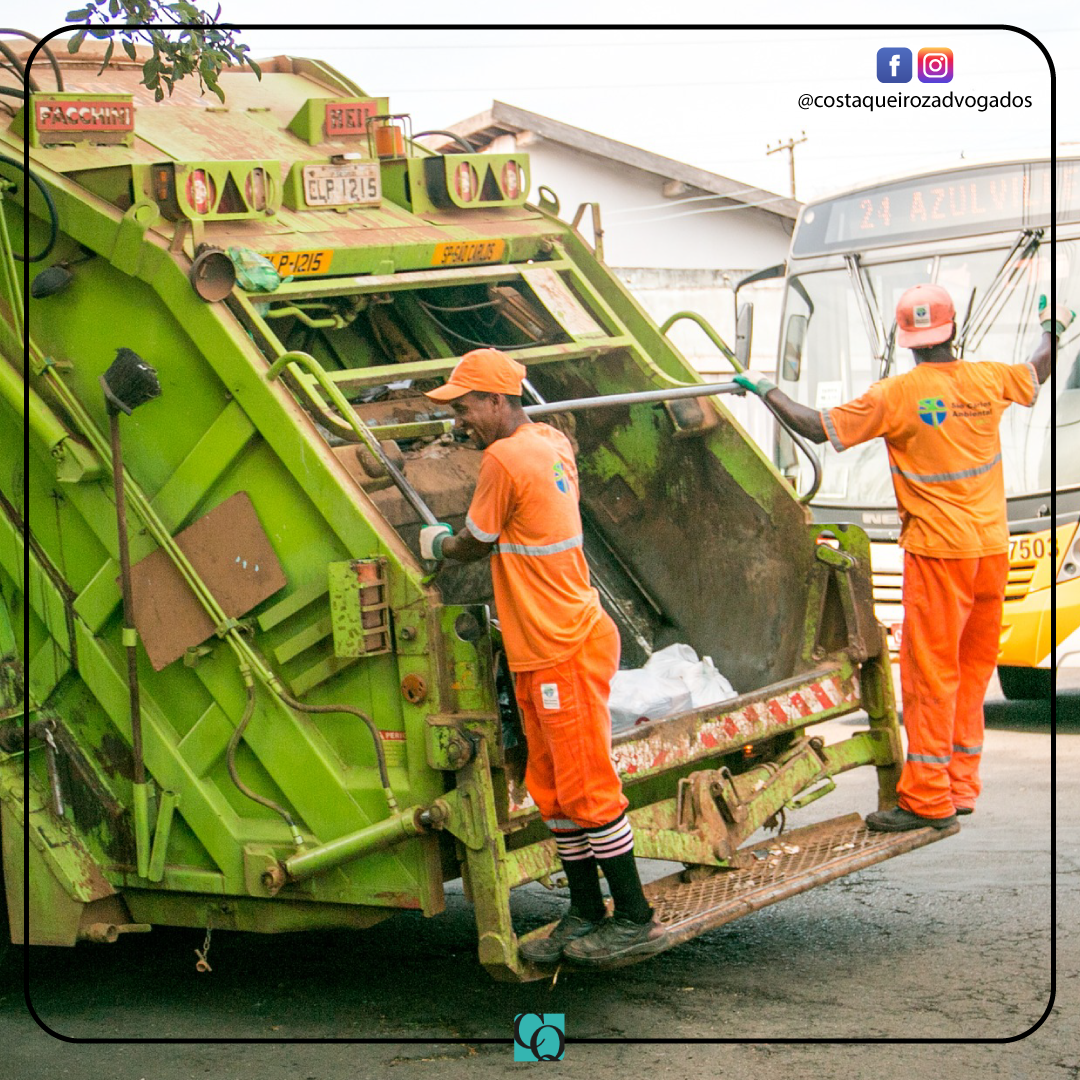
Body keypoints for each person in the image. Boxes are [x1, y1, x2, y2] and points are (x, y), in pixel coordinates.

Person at [735, 287, 1073, 832]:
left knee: (928, 680)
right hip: (991, 550)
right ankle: (960, 787)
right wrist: (1053, 329)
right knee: (971, 673)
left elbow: (816, 426)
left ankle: (927, 802)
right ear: (953, 328)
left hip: (939, 555)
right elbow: (1038, 370)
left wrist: (764, 388)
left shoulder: (897, 394)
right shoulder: (989, 378)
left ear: (903, 338)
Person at [419, 348, 666, 966]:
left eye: (467, 404)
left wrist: (439, 545)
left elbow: (476, 544)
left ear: (498, 402)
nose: (461, 417)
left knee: (587, 789)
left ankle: (633, 915)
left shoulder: (504, 458)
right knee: (551, 790)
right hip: (545, 646)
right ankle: (585, 910)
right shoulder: (550, 440)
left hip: (561, 647)